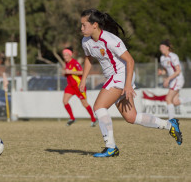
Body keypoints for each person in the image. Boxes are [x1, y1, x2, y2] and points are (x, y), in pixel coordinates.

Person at [78, 9, 183, 158]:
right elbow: (88, 59)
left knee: (99, 107)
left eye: (84, 25)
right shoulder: (86, 41)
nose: (81, 28)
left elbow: (130, 61)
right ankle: (169, 125)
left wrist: (127, 85)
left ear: (95, 25)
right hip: (114, 77)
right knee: (131, 117)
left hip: (121, 75)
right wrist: (83, 80)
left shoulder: (110, 40)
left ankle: (110, 147)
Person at [62, 47, 97, 127]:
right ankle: (72, 118)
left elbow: (82, 72)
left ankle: (94, 119)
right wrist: (65, 73)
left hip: (78, 86)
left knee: (84, 104)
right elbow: (68, 75)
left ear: (70, 55)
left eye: (66, 55)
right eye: (64, 55)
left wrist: (70, 71)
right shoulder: (66, 63)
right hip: (70, 86)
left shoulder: (74, 62)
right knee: (65, 101)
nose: (65, 57)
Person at [158, 39, 191, 119]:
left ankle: (171, 122)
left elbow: (178, 71)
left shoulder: (173, 56)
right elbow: (167, 70)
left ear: (167, 47)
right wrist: (161, 72)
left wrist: (168, 79)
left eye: (162, 47)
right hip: (172, 80)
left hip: (177, 79)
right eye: (160, 47)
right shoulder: (162, 58)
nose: (161, 49)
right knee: (175, 102)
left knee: (168, 99)